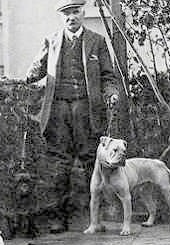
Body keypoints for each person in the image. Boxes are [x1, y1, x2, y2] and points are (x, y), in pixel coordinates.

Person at [26, 0, 120, 233]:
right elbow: (35, 72)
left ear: (83, 13)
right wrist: (29, 73)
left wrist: (112, 93)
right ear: (61, 17)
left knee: (91, 161)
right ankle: (59, 218)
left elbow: (108, 76)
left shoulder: (96, 41)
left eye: (75, 12)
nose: (71, 17)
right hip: (58, 112)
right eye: (66, 13)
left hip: (86, 111)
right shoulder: (52, 41)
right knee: (59, 163)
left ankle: (96, 218)